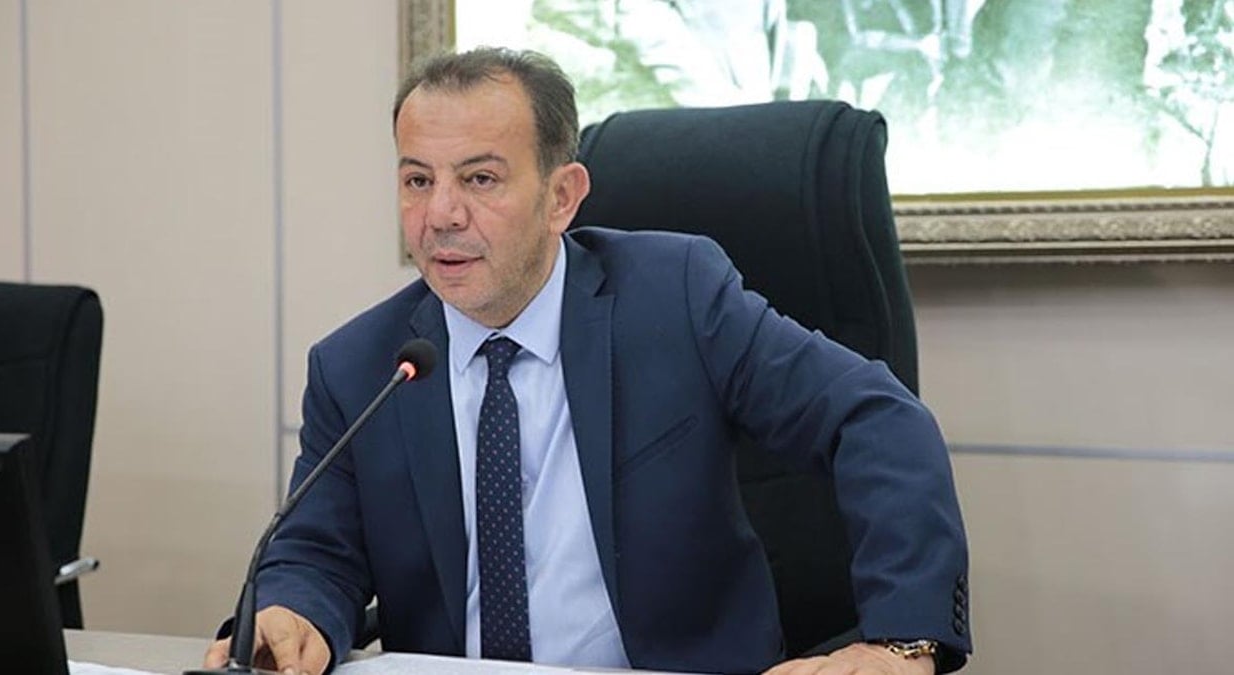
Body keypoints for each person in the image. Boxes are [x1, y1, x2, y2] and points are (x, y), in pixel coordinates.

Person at [203, 47, 971, 675]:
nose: (440, 214)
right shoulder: (361, 367)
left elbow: (872, 417)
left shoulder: (677, 299)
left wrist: (901, 643)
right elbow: (315, 552)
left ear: (562, 197)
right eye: (417, 180)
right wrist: (292, 613)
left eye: (479, 178)